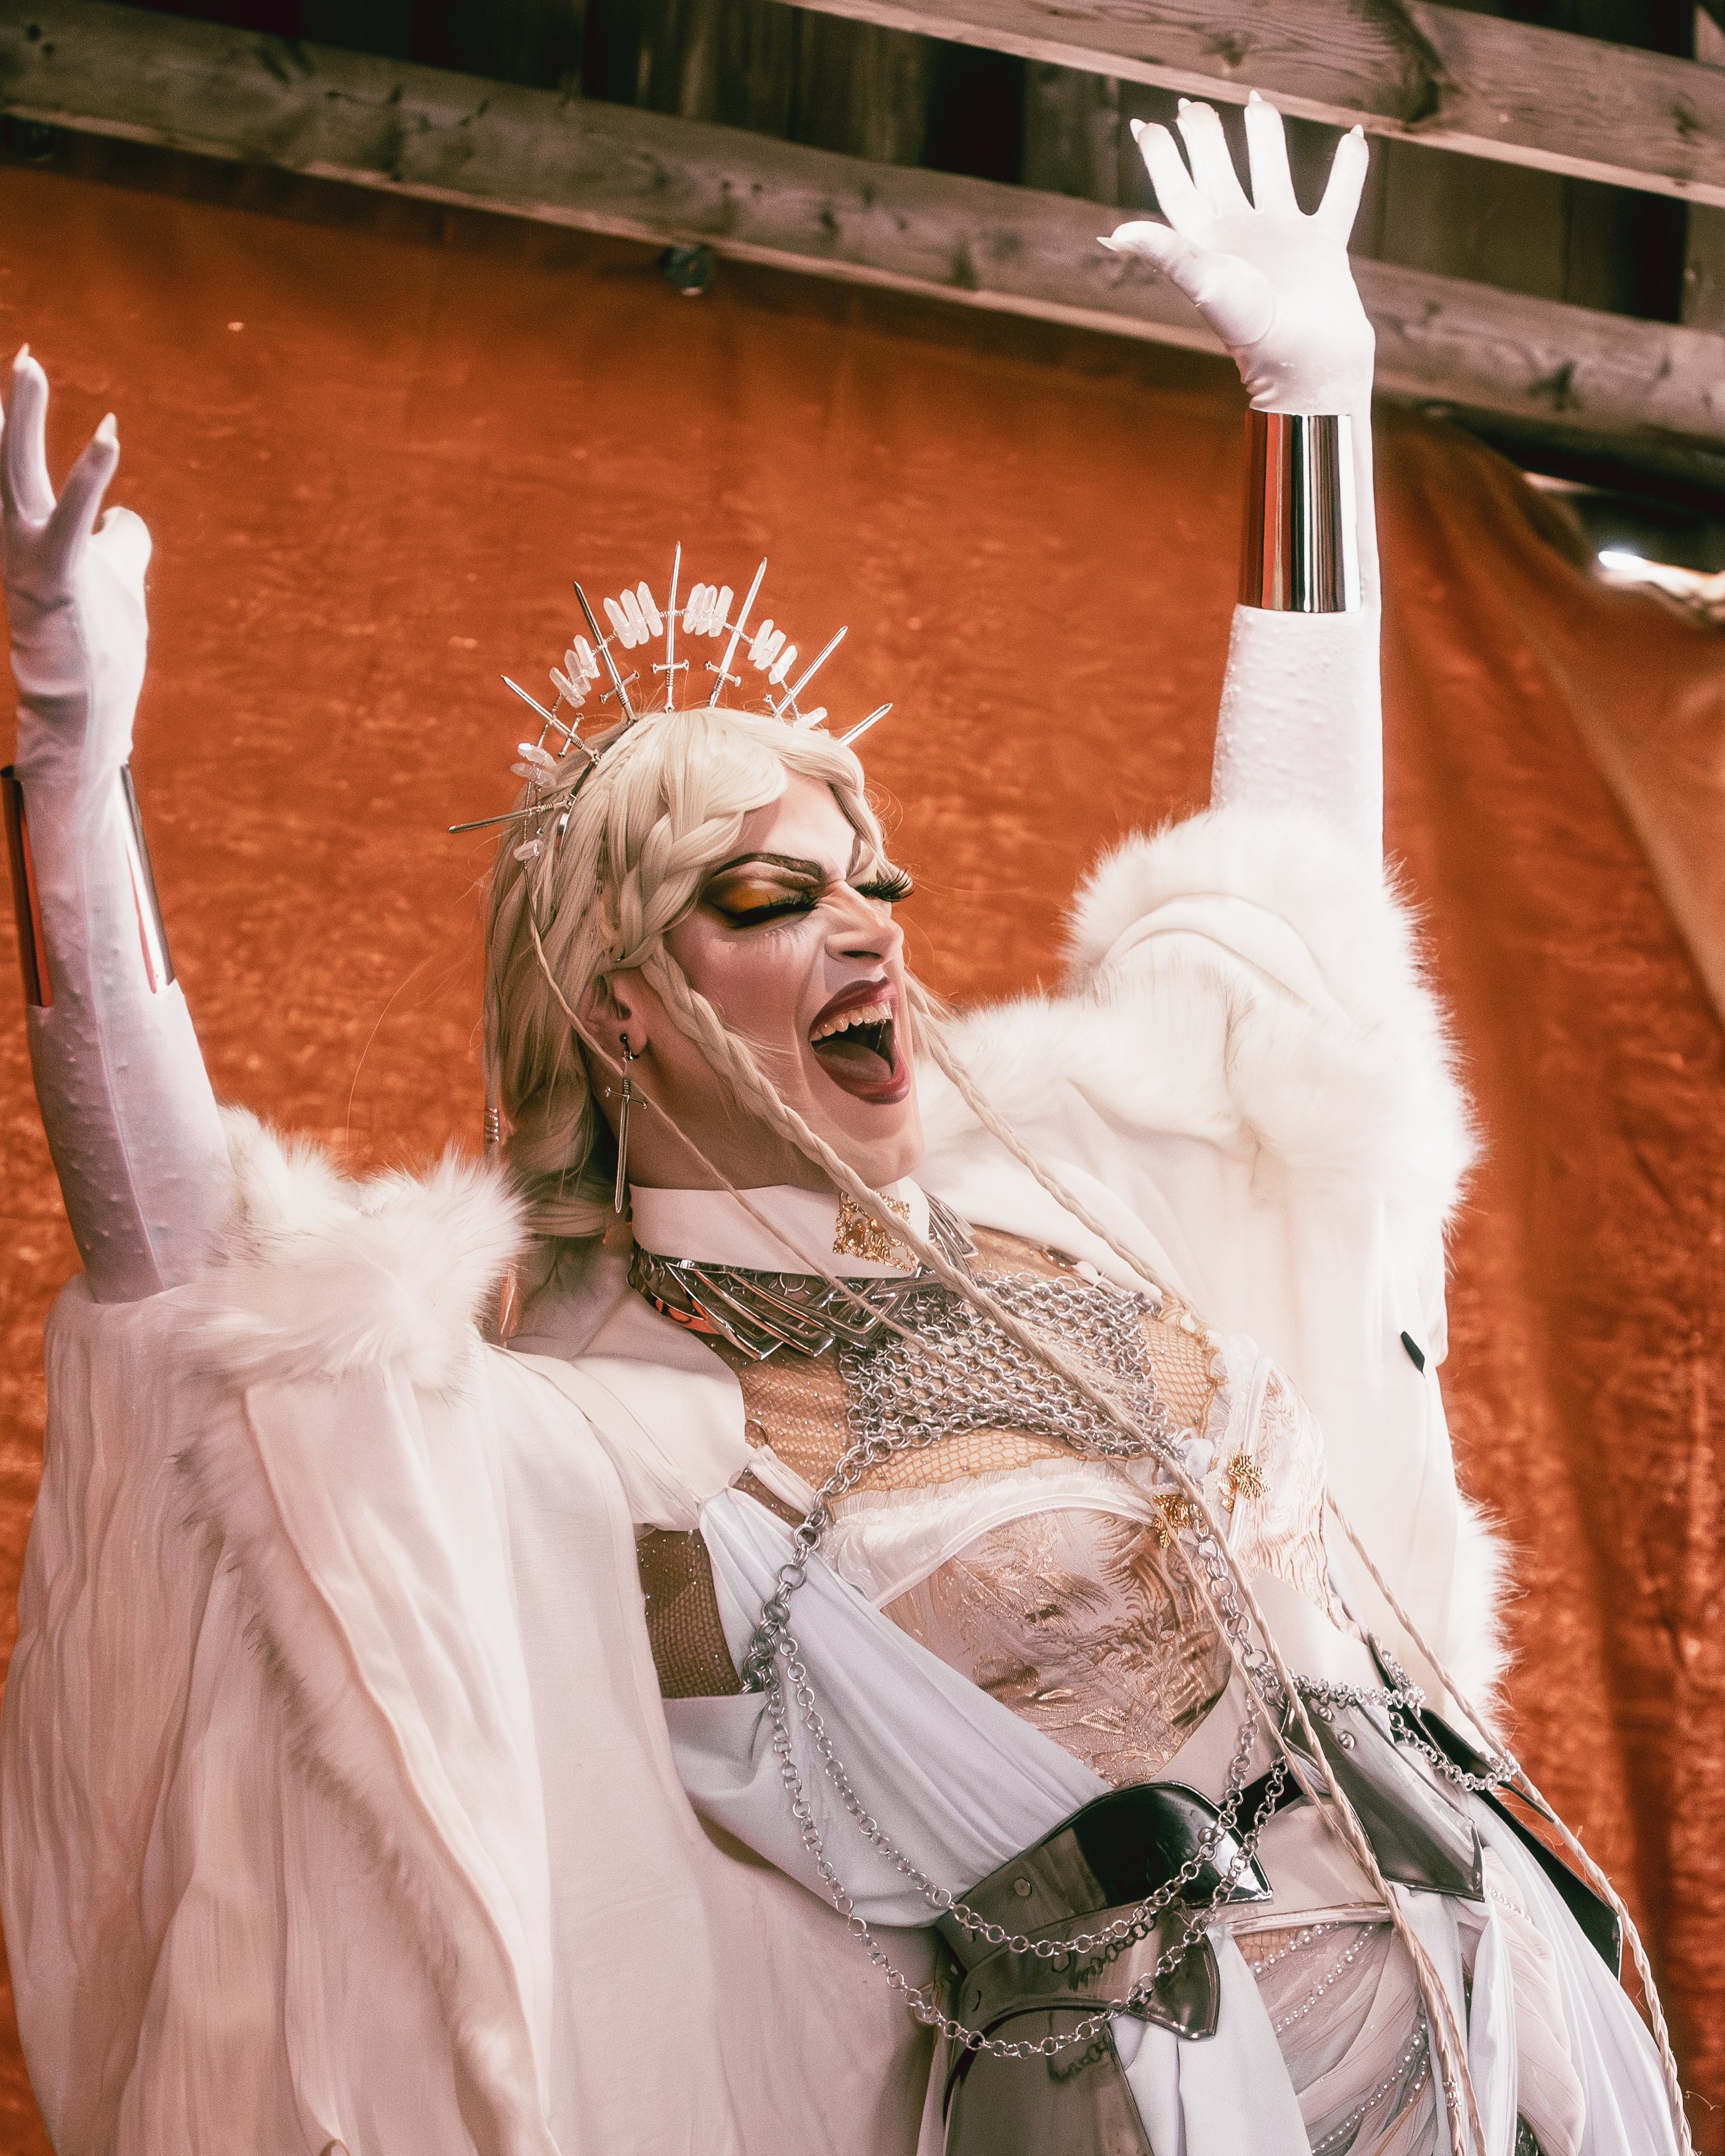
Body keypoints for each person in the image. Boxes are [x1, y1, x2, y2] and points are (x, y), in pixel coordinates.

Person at [0, 97, 1688, 2156]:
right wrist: (73, 798)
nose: (867, 930)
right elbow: (210, 1316)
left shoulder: (1073, 1194)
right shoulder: (622, 1424)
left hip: (1519, 2043)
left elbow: (1289, 952)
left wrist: (1311, 409)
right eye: (769, 900)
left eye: (869, 880)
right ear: (619, 1002)